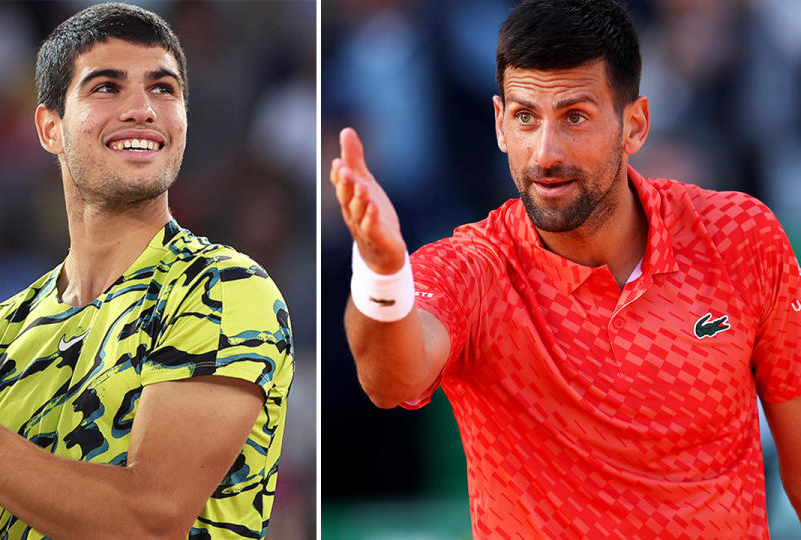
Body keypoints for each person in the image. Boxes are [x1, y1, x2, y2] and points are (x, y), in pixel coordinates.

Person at [330, 0, 801, 537]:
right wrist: (380, 272)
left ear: (635, 125)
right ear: (500, 125)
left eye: (574, 116)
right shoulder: (472, 269)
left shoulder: (741, 235)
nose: (545, 152)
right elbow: (391, 380)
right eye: (526, 117)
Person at [0, 3, 294, 539]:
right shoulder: (1, 329)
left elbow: (150, 521)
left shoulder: (223, 288)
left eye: (163, 89)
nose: (142, 108)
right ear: (50, 127)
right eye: (106, 87)